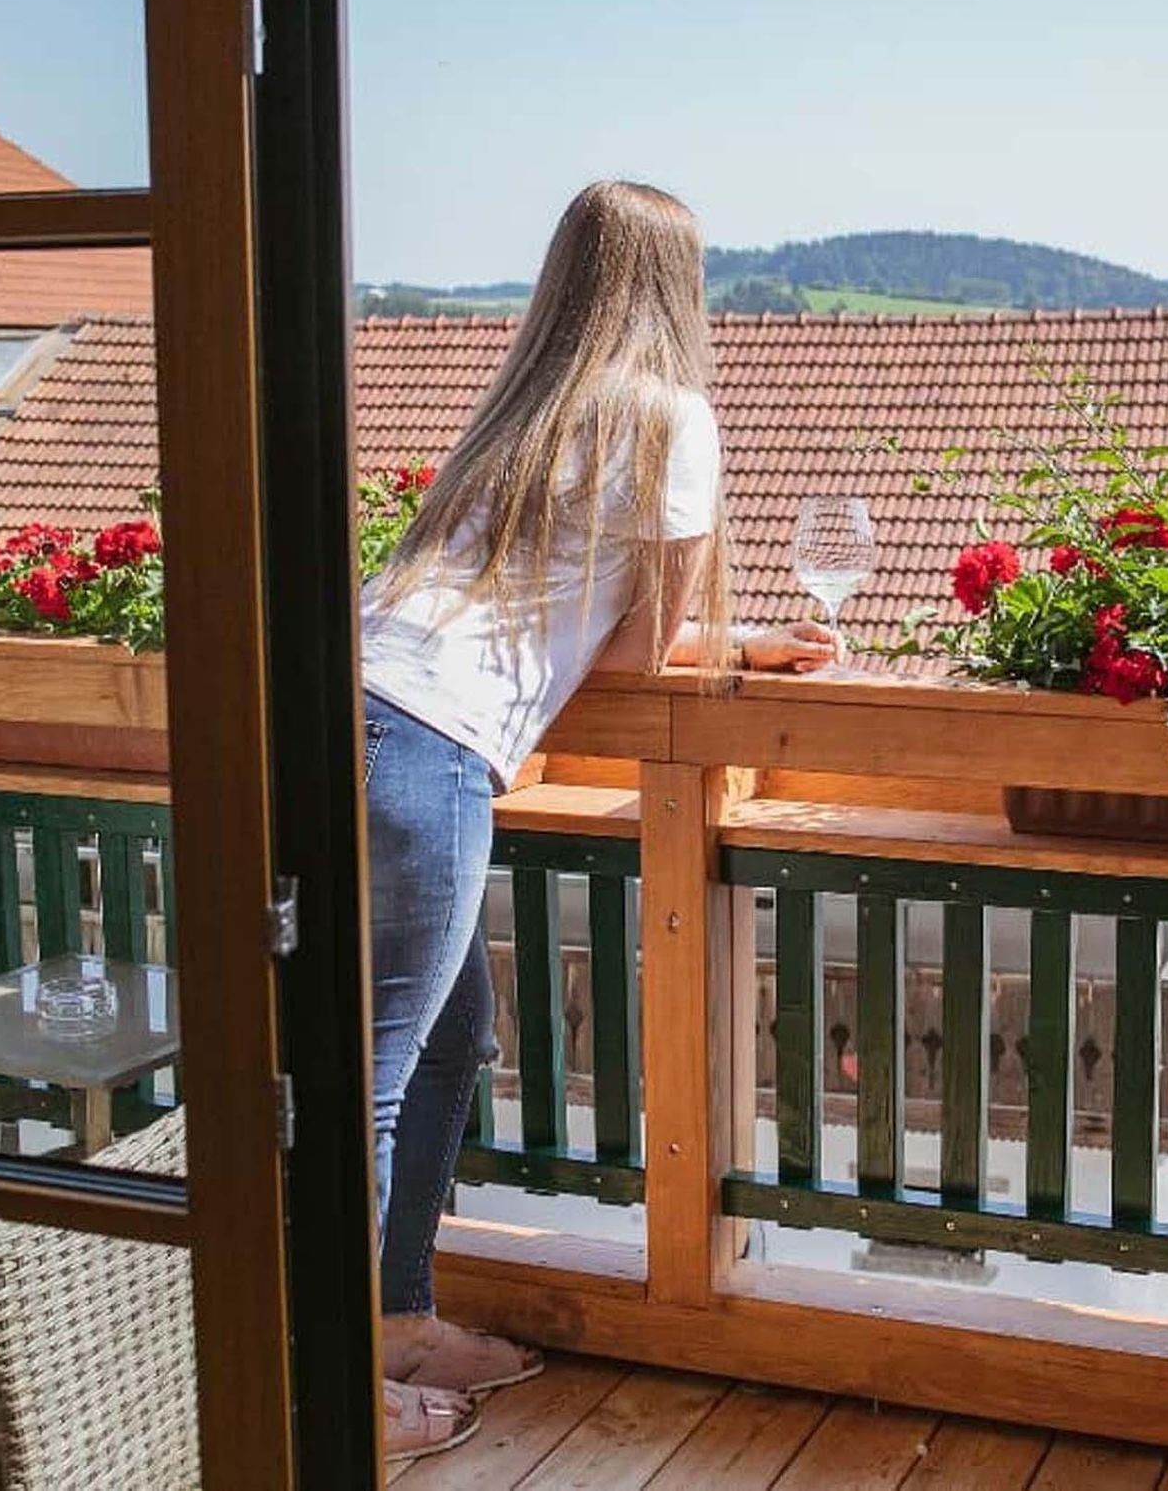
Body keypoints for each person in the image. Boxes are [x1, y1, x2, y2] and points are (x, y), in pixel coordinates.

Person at [358, 180, 837, 1462]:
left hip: (342, 706)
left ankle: (396, 1318)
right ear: (679, 285)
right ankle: (340, 1385)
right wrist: (737, 640)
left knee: (445, 1044)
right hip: (426, 743)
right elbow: (631, 653)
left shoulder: (519, 408)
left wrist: (739, 634)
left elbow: (550, 606)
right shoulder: (672, 416)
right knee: (376, 1075)